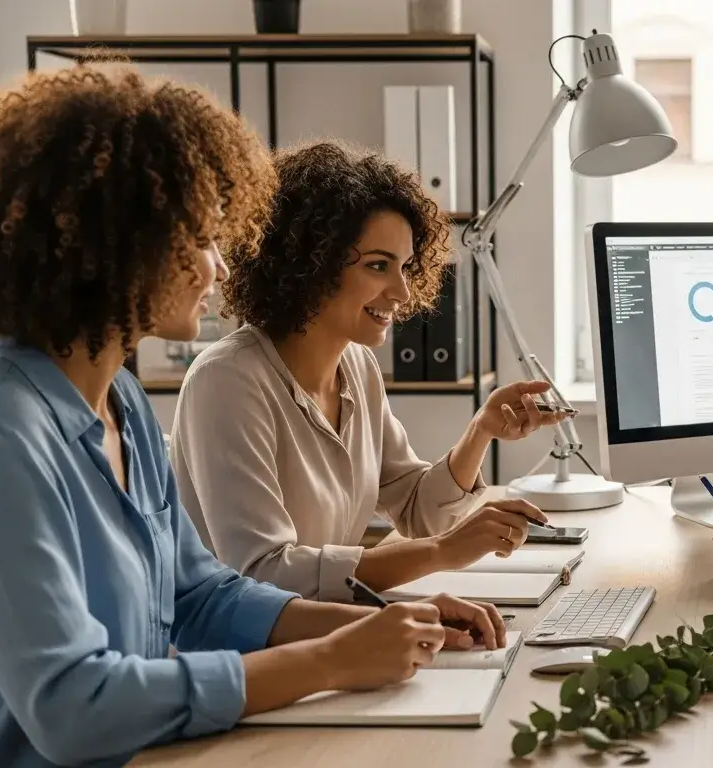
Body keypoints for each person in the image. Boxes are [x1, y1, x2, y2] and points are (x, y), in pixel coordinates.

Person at [0, 65, 503, 768]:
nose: (218, 267)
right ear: (115, 244)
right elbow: (72, 709)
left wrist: (385, 623)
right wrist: (331, 661)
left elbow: (200, 595)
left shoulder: (119, 401)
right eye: (200, 239)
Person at [171, 141, 567, 602]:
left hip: (328, 633)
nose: (401, 291)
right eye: (379, 266)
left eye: (405, 267)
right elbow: (264, 574)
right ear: (308, 263)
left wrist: (479, 432)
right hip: (250, 658)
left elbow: (417, 510)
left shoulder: (356, 366)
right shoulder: (227, 380)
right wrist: (441, 552)